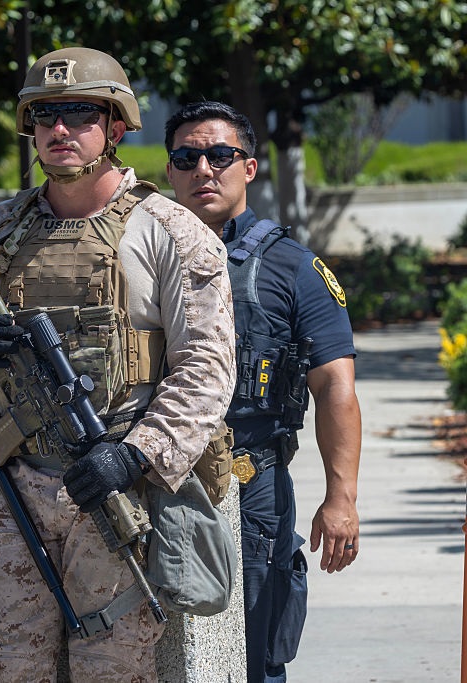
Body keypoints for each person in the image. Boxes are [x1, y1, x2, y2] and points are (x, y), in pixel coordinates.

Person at [0, 47, 236, 682]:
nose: (59, 130)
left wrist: (136, 453)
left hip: (116, 484)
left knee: (114, 667)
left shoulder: (169, 231)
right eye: (45, 117)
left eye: (78, 114)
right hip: (14, 480)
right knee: (7, 662)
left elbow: (207, 368)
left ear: (115, 127)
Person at [164, 101, 362, 683]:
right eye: (187, 157)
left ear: (248, 167)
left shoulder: (293, 267)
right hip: (153, 480)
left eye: (221, 155)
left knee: (256, 654)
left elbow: (335, 387)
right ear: (171, 170)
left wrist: (342, 497)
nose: (204, 168)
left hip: (251, 488)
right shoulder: (139, 258)